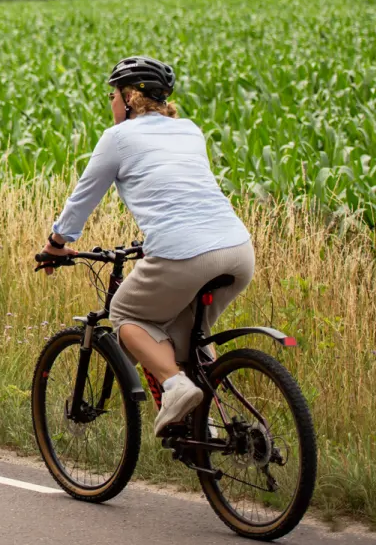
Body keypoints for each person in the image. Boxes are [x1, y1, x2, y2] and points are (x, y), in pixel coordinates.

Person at [40, 55, 254, 434]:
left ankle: (175, 386)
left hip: (183, 253)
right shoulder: (190, 129)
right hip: (238, 251)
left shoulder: (118, 138)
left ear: (128, 98)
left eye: (112, 96)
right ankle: (212, 427)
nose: (111, 104)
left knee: (124, 317)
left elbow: (82, 198)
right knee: (187, 337)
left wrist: (57, 243)